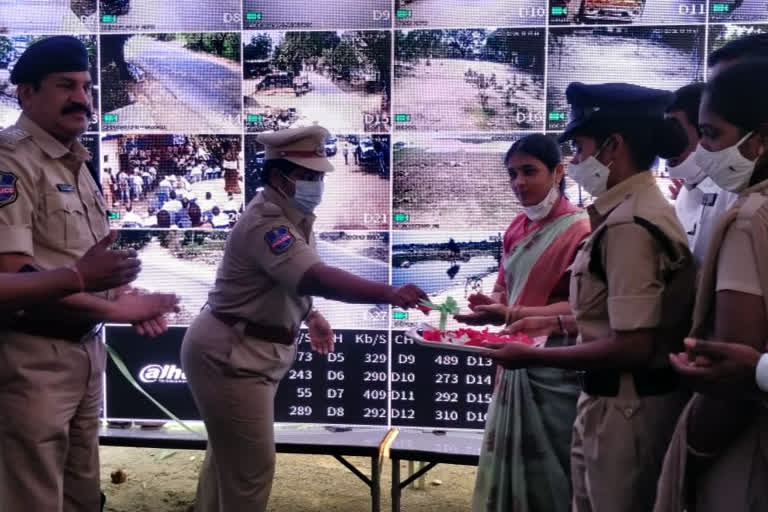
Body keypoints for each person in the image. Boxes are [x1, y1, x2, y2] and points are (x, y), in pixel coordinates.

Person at [180, 125, 427, 512]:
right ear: (280, 177)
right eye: (308, 177)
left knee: (228, 465)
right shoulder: (268, 222)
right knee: (249, 473)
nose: (317, 184)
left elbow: (282, 283)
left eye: (319, 176)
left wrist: (311, 315)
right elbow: (313, 276)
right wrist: (389, 292)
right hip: (231, 357)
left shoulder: (295, 217)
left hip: (247, 352)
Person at [483, 83, 696, 512]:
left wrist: (534, 357)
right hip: (610, 402)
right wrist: (546, 322)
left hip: (628, 410)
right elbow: (611, 316)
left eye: (579, 150)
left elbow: (635, 345)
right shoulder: (623, 214)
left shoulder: (629, 225)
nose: (576, 163)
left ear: (613, 146)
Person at [0, 36, 179, 512]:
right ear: (26, 93)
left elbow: (82, 260)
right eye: (65, 86)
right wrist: (115, 307)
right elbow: (15, 273)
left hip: (84, 351)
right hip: (30, 357)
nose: (81, 98)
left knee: (82, 494)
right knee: (32, 497)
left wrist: (126, 295)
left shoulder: (78, 162)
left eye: (86, 86)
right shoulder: (9, 161)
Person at [453, 134, 591, 512]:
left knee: (555, 478)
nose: (519, 183)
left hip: (556, 372)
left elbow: (587, 309)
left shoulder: (582, 231)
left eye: (530, 171)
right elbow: (504, 291)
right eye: (512, 174)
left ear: (559, 172)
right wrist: (486, 308)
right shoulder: (516, 228)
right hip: (514, 363)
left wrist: (514, 314)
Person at [654, 59, 768, 512]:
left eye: (712, 135)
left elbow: (729, 371)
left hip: (745, 447)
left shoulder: (749, 218)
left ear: (760, 138)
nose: (700, 150)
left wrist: (692, 454)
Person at [665, 83, 737, 266]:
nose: (669, 143)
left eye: (676, 131)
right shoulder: (685, 191)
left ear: (704, 132)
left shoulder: (731, 194)